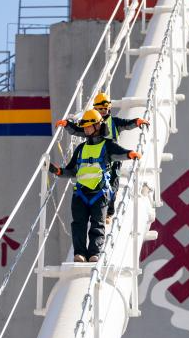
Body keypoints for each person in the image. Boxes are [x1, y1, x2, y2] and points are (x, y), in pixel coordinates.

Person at [49, 109, 141, 263]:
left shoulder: (108, 145)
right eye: (84, 127)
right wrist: (59, 172)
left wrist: (130, 154)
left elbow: (120, 152)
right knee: (78, 225)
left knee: (97, 225)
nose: (85, 129)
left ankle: (94, 253)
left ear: (98, 126)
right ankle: (79, 253)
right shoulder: (81, 148)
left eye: (88, 126)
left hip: (99, 194)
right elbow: (72, 170)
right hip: (80, 194)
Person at [54, 92, 150, 222]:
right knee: (98, 185)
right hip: (97, 159)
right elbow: (77, 129)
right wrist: (67, 124)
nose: (103, 111)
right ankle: (96, 211)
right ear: (95, 109)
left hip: (113, 157)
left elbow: (127, 123)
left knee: (113, 185)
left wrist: (137, 122)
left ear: (109, 108)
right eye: (100, 109)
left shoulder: (114, 122)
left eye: (105, 108)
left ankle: (109, 212)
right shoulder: (91, 124)